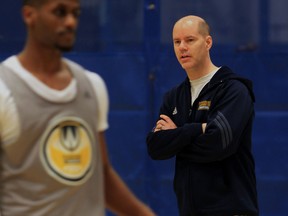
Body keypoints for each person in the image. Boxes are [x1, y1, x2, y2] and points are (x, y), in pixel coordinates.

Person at [0, 0, 156, 215]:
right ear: (29, 15)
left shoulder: (92, 85)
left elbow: (100, 175)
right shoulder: (3, 89)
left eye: (76, 13)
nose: (71, 22)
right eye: (60, 12)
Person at [146, 15, 259, 216]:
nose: (182, 47)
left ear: (208, 42)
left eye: (190, 40)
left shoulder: (233, 90)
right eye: (176, 42)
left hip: (232, 210)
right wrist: (200, 128)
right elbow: (156, 147)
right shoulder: (174, 97)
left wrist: (178, 135)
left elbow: (219, 143)